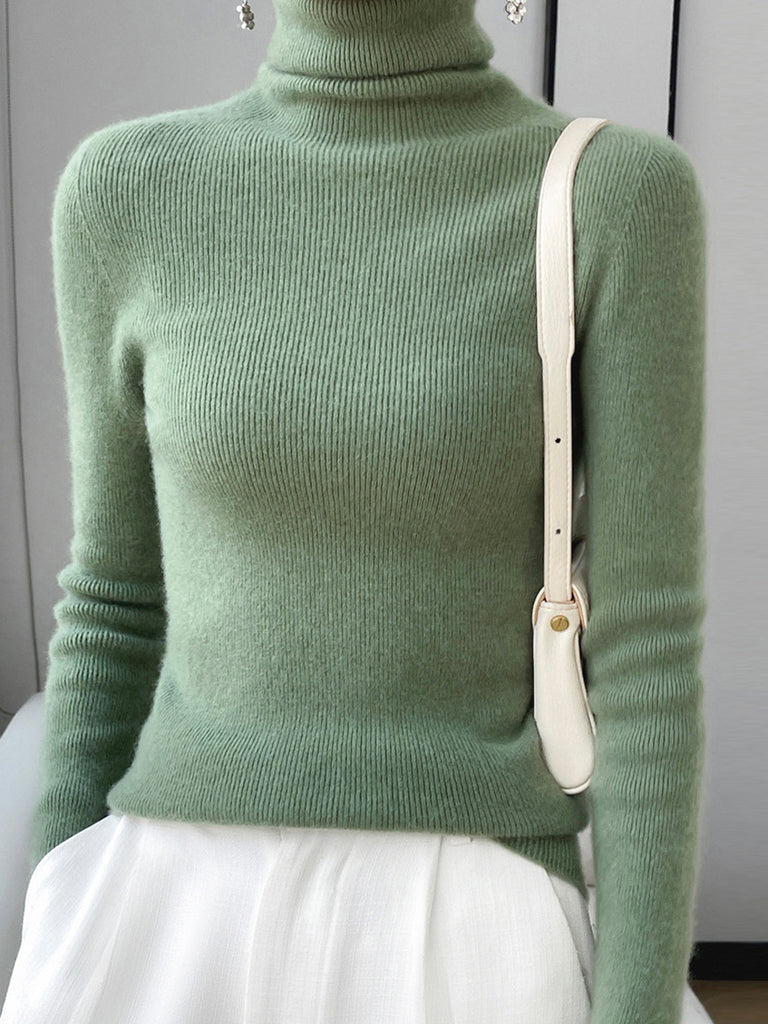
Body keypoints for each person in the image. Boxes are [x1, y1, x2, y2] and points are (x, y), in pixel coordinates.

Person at [0, 0, 708, 1022]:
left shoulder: (618, 196)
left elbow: (646, 651)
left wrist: (636, 1008)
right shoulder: (125, 191)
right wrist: (55, 920)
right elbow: (112, 603)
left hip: (477, 927)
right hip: (167, 916)